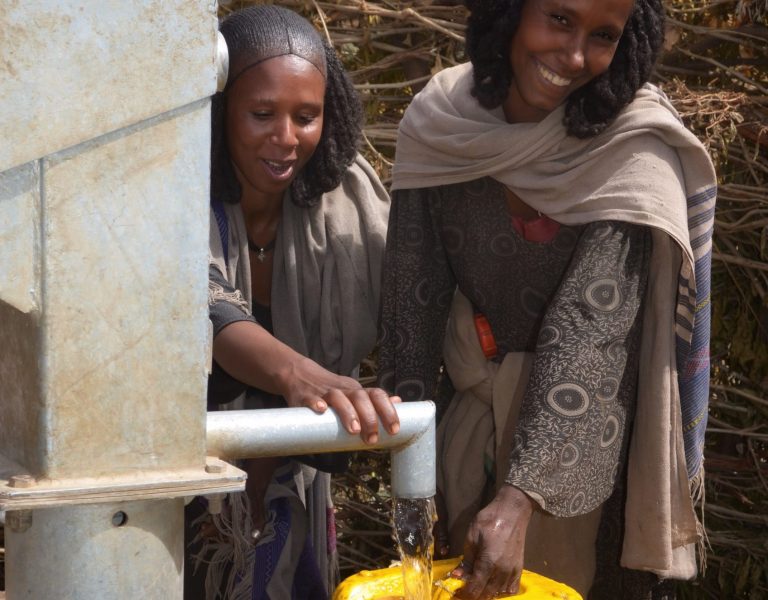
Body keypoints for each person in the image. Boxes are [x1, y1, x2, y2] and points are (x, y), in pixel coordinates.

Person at [377, 0, 716, 598]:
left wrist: (519, 500)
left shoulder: (634, 150)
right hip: (469, 432)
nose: (577, 56)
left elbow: (594, 328)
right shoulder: (441, 124)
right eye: (559, 19)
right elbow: (413, 301)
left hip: (587, 462)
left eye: (604, 35)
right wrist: (412, 475)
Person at [186, 6, 400, 599]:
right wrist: (298, 374)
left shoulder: (346, 202)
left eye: (306, 117)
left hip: (290, 483)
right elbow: (200, 307)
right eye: (261, 114)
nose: (286, 138)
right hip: (180, 473)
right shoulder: (175, 191)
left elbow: (408, 295)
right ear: (218, 108)